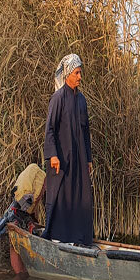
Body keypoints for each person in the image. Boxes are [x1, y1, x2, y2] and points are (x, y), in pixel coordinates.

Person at [43, 54, 94, 246]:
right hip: (60, 159)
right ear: (67, 75)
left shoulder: (82, 100)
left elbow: (86, 131)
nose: (80, 77)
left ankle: (78, 239)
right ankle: (57, 237)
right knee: (60, 196)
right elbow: (50, 129)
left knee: (80, 196)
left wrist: (88, 159)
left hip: (79, 159)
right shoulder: (58, 98)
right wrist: (53, 155)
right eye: (77, 73)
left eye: (80, 73)